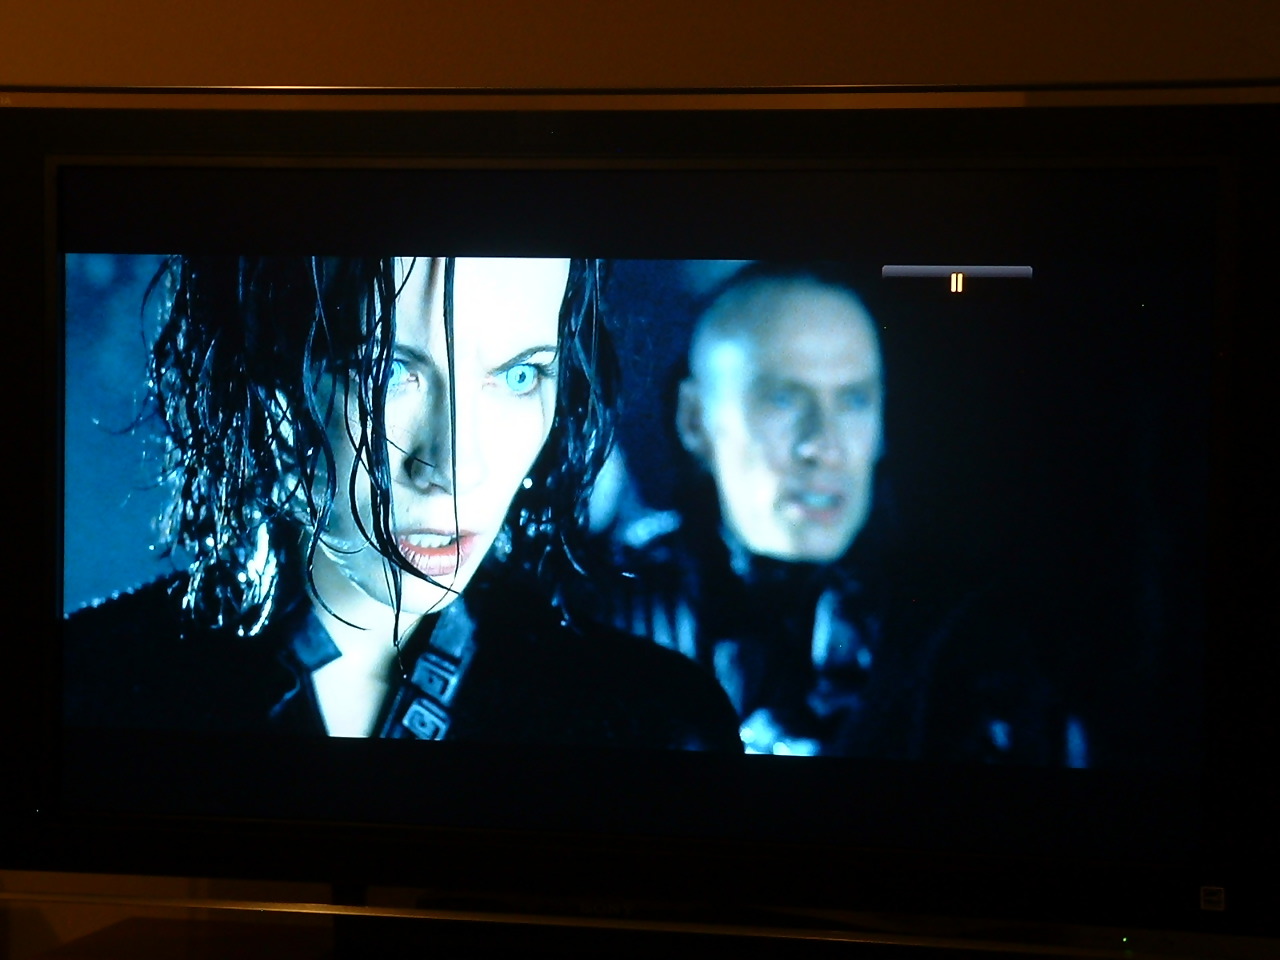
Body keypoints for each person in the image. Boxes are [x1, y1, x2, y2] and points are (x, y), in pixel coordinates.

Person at [64, 256, 741, 750]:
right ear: (269, 376)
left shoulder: (654, 724)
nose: (455, 468)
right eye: (387, 370)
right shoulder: (85, 690)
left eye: (520, 375)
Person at [596, 261, 1084, 763]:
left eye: (854, 400)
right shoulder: (604, 619)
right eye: (782, 399)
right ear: (695, 421)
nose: (824, 446)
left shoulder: (978, 648)